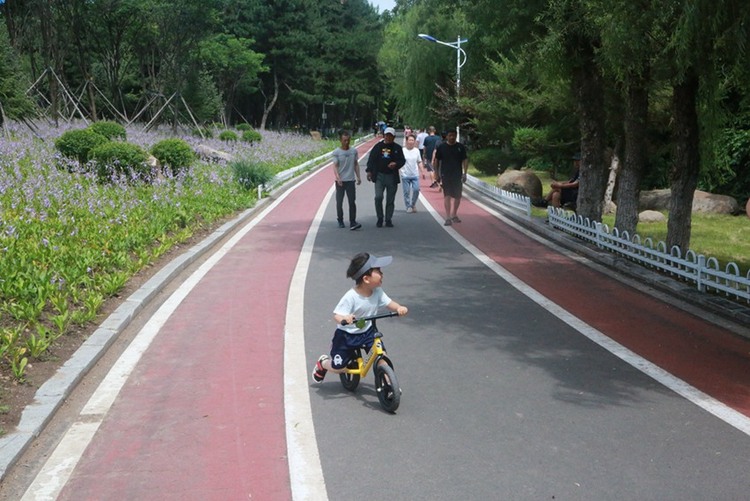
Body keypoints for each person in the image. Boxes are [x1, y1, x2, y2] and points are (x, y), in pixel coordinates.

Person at [312, 252, 408, 383]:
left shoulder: (378, 292)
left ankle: (389, 384)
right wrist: (345, 319)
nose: (382, 274)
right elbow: (337, 315)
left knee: (381, 356)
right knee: (339, 367)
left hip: (368, 332)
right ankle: (322, 364)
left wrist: (398, 308)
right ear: (366, 279)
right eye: (378, 271)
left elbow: (389, 303)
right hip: (346, 336)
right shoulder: (351, 297)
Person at [366, 127, 405, 227]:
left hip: (392, 176)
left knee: (390, 199)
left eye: (390, 136)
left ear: (394, 137)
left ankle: (388, 219)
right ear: (384, 135)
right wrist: (369, 171)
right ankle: (380, 217)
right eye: (386, 135)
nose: (388, 137)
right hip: (379, 175)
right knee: (378, 197)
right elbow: (371, 159)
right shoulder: (378, 147)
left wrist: (395, 164)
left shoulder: (397, 148)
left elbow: (402, 160)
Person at [434, 129, 468, 226]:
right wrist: (436, 173)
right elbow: (436, 160)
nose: (452, 137)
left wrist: (465, 173)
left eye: (454, 135)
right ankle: (448, 217)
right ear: (447, 136)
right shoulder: (442, 147)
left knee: (457, 196)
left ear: (456, 135)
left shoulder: (460, 147)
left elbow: (465, 160)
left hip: (457, 175)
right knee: (447, 195)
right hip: (446, 174)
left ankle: (454, 214)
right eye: (450, 135)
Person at [331, 130, 362, 230]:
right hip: (340, 181)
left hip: (350, 180)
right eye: (344, 140)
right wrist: (338, 178)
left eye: (348, 140)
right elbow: (335, 166)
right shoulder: (337, 152)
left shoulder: (353, 151)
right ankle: (340, 220)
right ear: (340, 140)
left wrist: (358, 176)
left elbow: (356, 164)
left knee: (352, 201)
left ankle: (353, 221)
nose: (346, 142)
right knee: (339, 202)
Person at [400, 134, 423, 213]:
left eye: (412, 140)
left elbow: (419, 161)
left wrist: (422, 171)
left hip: (415, 174)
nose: (411, 142)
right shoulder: (402, 150)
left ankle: (413, 204)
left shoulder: (416, 151)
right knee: (406, 192)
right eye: (409, 140)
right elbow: (398, 162)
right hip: (405, 174)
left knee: (416, 190)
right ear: (406, 141)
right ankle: (408, 206)